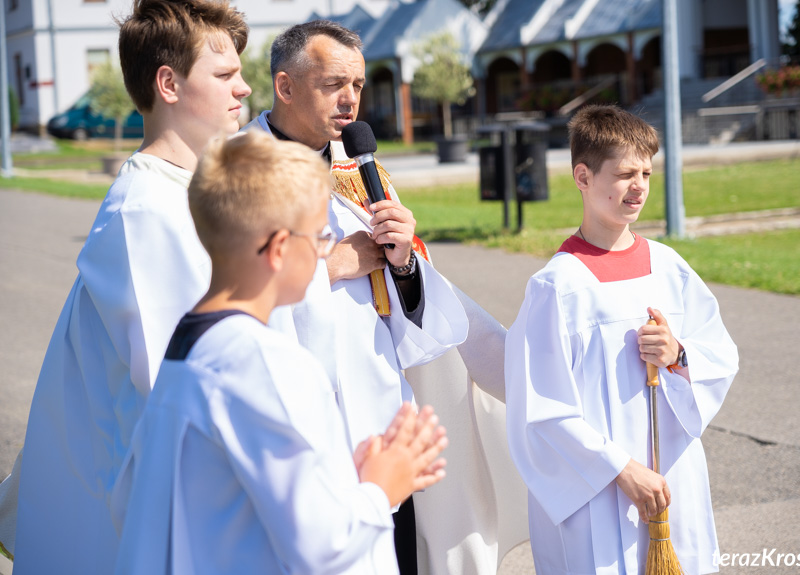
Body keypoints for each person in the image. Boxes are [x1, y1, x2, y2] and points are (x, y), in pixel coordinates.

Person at [110, 131, 450, 575]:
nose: (325, 250)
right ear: (278, 250)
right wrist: (382, 486)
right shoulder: (266, 362)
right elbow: (321, 545)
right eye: (320, 238)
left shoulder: (190, 345)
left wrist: (342, 478)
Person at [13, 1, 251, 572]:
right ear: (168, 83)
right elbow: (184, 391)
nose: (244, 88)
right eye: (224, 75)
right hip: (141, 530)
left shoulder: (187, 194)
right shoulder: (145, 213)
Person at [242, 20, 474, 574]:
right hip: (294, 426)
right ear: (285, 85)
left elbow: (411, 313)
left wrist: (404, 261)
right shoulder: (236, 170)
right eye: (333, 84)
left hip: (377, 415)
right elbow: (222, 295)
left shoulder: (360, 171)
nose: (350, 101)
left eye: (359, 85)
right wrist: (329, 266)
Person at [505, 105, 739, 575]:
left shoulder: (668, 266)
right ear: (582, 177)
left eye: (647, 174)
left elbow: (720, 352)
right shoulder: (558, 287)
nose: (639, 187)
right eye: (624, 174)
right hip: (601, 489)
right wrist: (621, 469)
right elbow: (540, 410)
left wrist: (679, 354)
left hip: (673, 476)